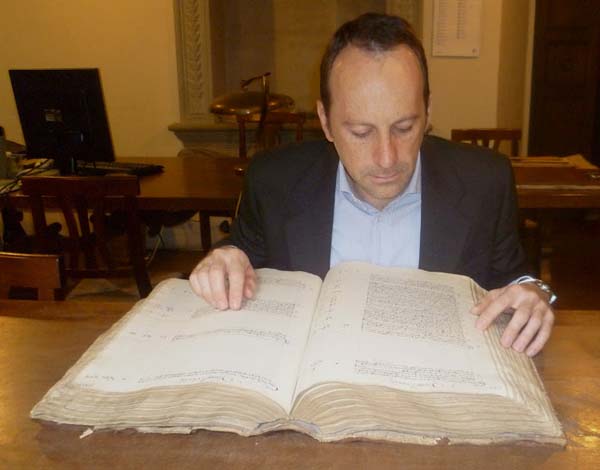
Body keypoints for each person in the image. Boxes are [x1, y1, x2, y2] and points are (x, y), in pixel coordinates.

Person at [190, 13, 555, 357]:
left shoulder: (484, 181)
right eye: (361, 132)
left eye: (404, 128)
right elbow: (240, 253)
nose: (386, 158)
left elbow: (516, 277)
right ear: (326, 121)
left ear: (428, 112)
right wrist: (223, 259)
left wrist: (534, 293)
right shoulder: (274, 180)